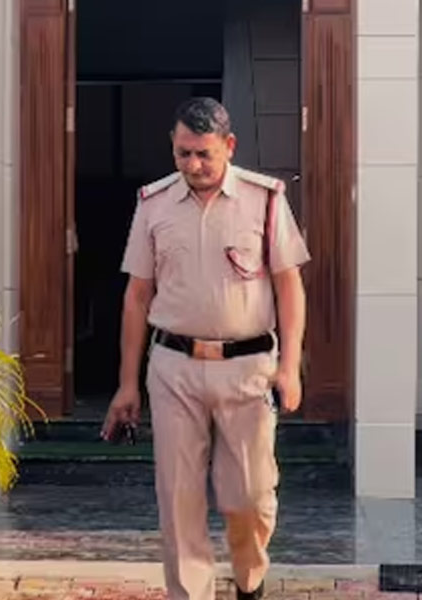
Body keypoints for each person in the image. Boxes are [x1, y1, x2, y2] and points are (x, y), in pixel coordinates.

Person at [100, 97, 310, 600]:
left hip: (249, 368)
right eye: (183, 154)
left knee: (251, 496)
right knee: (179, 500)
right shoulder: (153, 204)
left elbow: (289, 286)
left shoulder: (265, 200)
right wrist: (128, 384)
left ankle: (249, 581)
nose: (193, 166)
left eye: (204, 155)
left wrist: (291, 368)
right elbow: (136, 296)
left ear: (229, 147)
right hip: (173, 368)